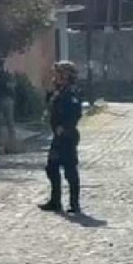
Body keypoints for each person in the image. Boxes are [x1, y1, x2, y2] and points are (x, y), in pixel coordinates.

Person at [39, 61, 83, 214]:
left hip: (67, 137)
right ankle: (55, 201)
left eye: (58, 73)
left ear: (66, 76)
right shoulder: (58, 91)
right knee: (52, 167)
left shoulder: (71, 92)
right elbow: (51, 107)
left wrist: (64, 128)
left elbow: (75, 114)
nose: (55, 76)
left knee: (70, 169)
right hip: (57, 138)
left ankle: (74, 203)